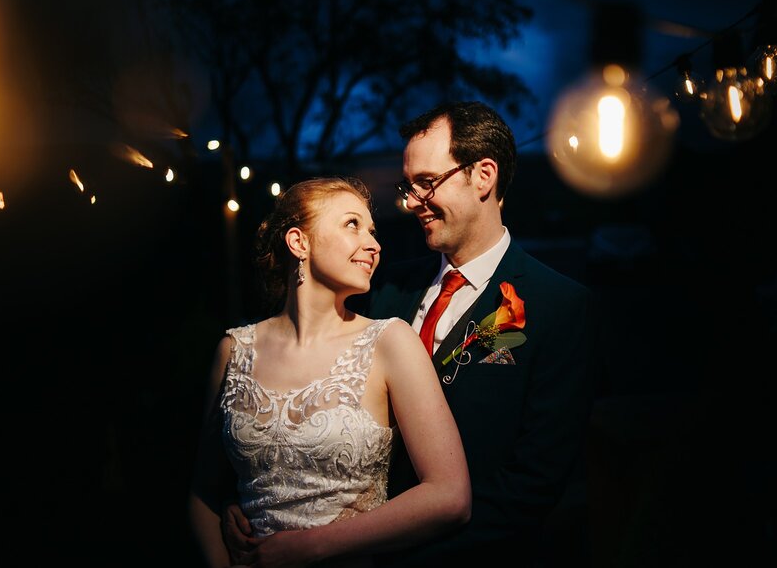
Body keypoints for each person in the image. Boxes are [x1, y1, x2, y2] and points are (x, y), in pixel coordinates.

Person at [189, 177, 471, 568]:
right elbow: (202, 494)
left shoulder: (390, 342)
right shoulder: (234, 351)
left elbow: (450, 496)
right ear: (298, 242)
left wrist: (310, 546)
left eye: (372, 231)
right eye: (352, 225)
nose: (373, 245)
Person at [365, 102, 596, 566]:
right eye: (408, 186)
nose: (412, 202)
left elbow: (533, 485)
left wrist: (400, 555)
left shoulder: (558, 306)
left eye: (426, 183)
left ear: (484, 176)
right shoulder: (384, 290)